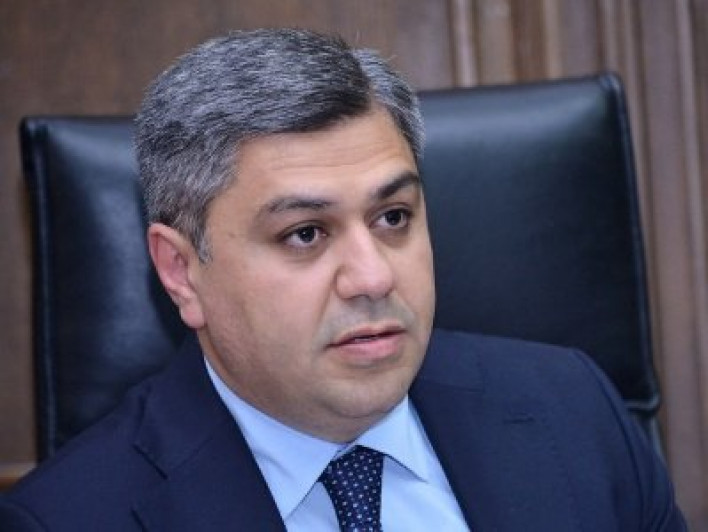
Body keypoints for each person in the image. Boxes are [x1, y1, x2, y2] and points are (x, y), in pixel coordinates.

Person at [0, 28, 686, 531]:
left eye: (393, 217)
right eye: (305, 234)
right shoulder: (66, 520)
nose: (372, 276)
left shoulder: (574, 413)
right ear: (181, 271)